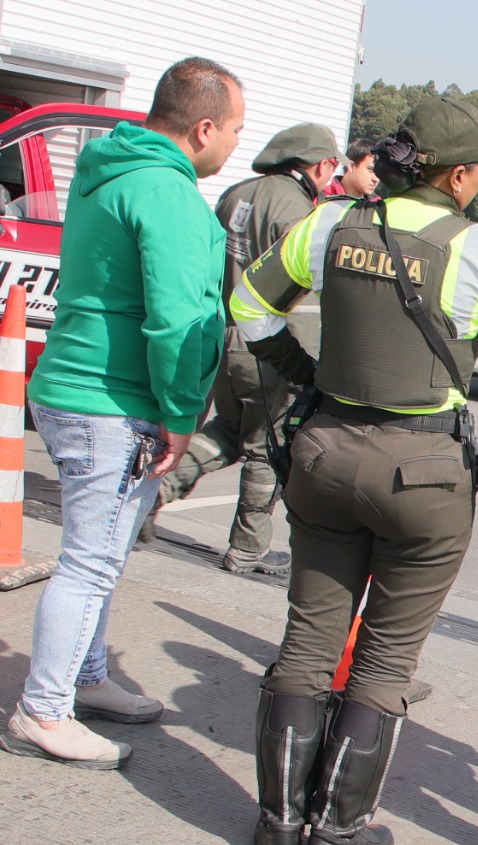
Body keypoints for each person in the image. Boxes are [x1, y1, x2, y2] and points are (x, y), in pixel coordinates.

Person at [230, 95, 478, 845]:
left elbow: (249, 305)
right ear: (456, 176)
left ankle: (278, 826)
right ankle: (335, 837)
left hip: (324, 452)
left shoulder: (331, 224)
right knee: (382, 664)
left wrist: (304, 375)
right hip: (422, 473)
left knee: (308, 643)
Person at [1, 58, 244, 769]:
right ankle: (43, 711)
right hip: (114, 401)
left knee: (101, 553)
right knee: (91, 560)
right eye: (232, 128)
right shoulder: (167, 193)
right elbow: (175, 317)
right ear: (203, 128)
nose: (234, 142)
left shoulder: (114, 170)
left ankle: (86, 677)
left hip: (77, 389)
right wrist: (179, 412)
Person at [148, 123, 345, 574]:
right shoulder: (298, 209)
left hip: (224, 334)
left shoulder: (236, 194)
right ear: (319, 165)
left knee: (227, 431)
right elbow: (307, 287)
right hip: (268, 343)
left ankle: (157, 490)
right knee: (265, 446)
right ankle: (249, 548)